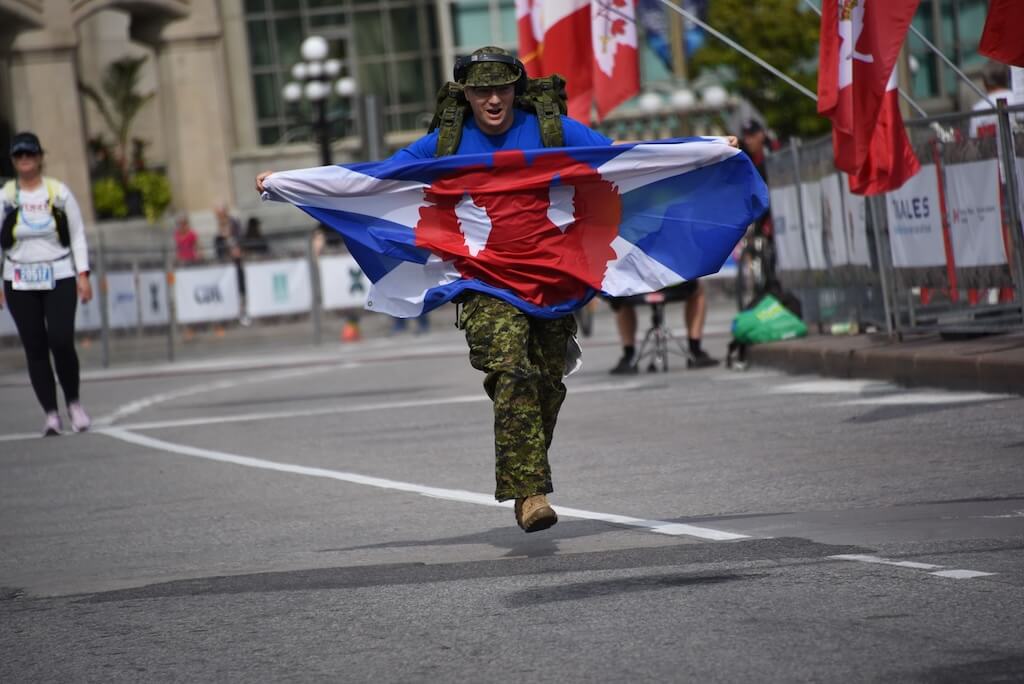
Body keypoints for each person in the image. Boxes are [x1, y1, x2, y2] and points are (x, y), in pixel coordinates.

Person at [257, 47, 740, 533]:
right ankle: (531, 494)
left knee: (548, 385)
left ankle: (525, 471)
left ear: (517, 89)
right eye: (481, 90)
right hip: (484, 281)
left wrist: (708, 150)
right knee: (512, 371)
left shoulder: (553, 130)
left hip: (553, 281)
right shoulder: (445, 143)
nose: (493, 100)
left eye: (502, 89)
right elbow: (374, 180)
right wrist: (287, 183)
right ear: (465, 94)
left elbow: (618, 162)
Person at [0, 132, 92, 435]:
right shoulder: (6, 196)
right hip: (19, 278)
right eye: (19, 155)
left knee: (61, 340)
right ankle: (51, 414)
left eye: (30, 154)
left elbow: (77, 234)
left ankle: (74, 403)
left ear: (40, 157)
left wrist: (83, 274)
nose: (25, 160)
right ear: (14, 160)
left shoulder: (58, 192)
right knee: (35, 346)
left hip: (60, 273)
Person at [606, 279, 719, 374]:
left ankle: (628, 356)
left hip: (637, 287)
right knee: (698, 288)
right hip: (673, 285)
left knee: (621, 291)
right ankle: (695, 351)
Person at [969, 61, 1020, 138]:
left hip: (990, 149)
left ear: (985, 82)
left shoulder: (978, 108)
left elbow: (975, 139)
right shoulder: (1018, 99)